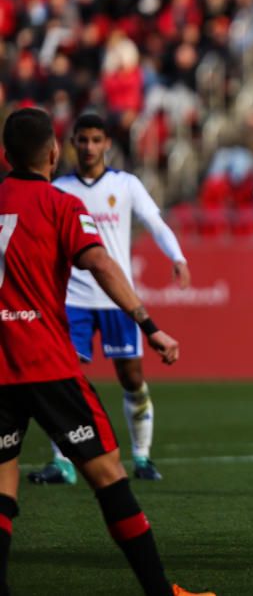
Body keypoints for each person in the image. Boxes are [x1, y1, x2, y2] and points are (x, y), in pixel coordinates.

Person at [0, 107, 211, 596]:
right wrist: (150, 324)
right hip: (45, 361)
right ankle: (160, 591)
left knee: (3, 486)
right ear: (55, 152)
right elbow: (101, 263)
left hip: (2, 366)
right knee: (109, 475)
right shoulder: (60, 204)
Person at [28, 113, 190, 485]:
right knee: (63, 378)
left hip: (118, 299)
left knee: (132, 378)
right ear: (71, 144)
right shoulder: (59, 188)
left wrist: (177, 256)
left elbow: (154, 222)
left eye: (95, 140)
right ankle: (63, 462)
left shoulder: (126, 184)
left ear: (107, 144)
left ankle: (142, 457)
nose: (88, 147)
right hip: (72, 300)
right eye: (82, 140)